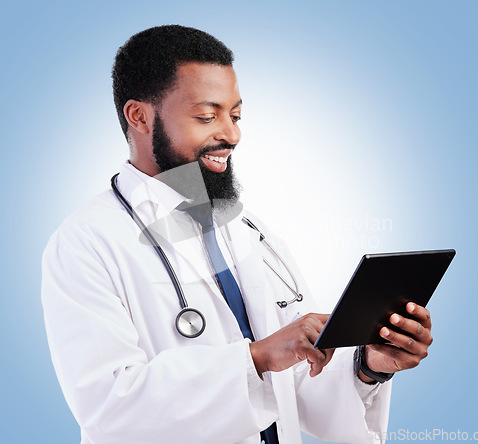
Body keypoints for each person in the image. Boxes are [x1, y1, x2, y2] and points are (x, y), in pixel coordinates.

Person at [41, 25, 433, 444]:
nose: (232, 135)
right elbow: (107, 404)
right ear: (139, 116)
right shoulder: (86, 241)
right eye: (207, 116)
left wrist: (369, 364)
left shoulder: (247, 229)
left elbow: (298, 376)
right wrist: (258, 357)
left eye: (236, 115)